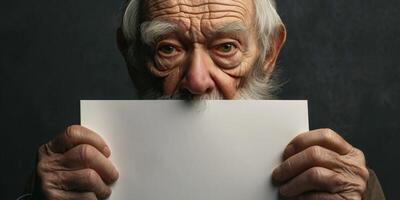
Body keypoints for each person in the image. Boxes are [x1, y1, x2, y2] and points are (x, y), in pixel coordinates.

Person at [23, 0, 385, 199]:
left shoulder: (336, 185)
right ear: (133, 56)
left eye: (226, 47)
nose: (196, 80)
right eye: (168, 48)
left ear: (268, 54)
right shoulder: (69, 183)